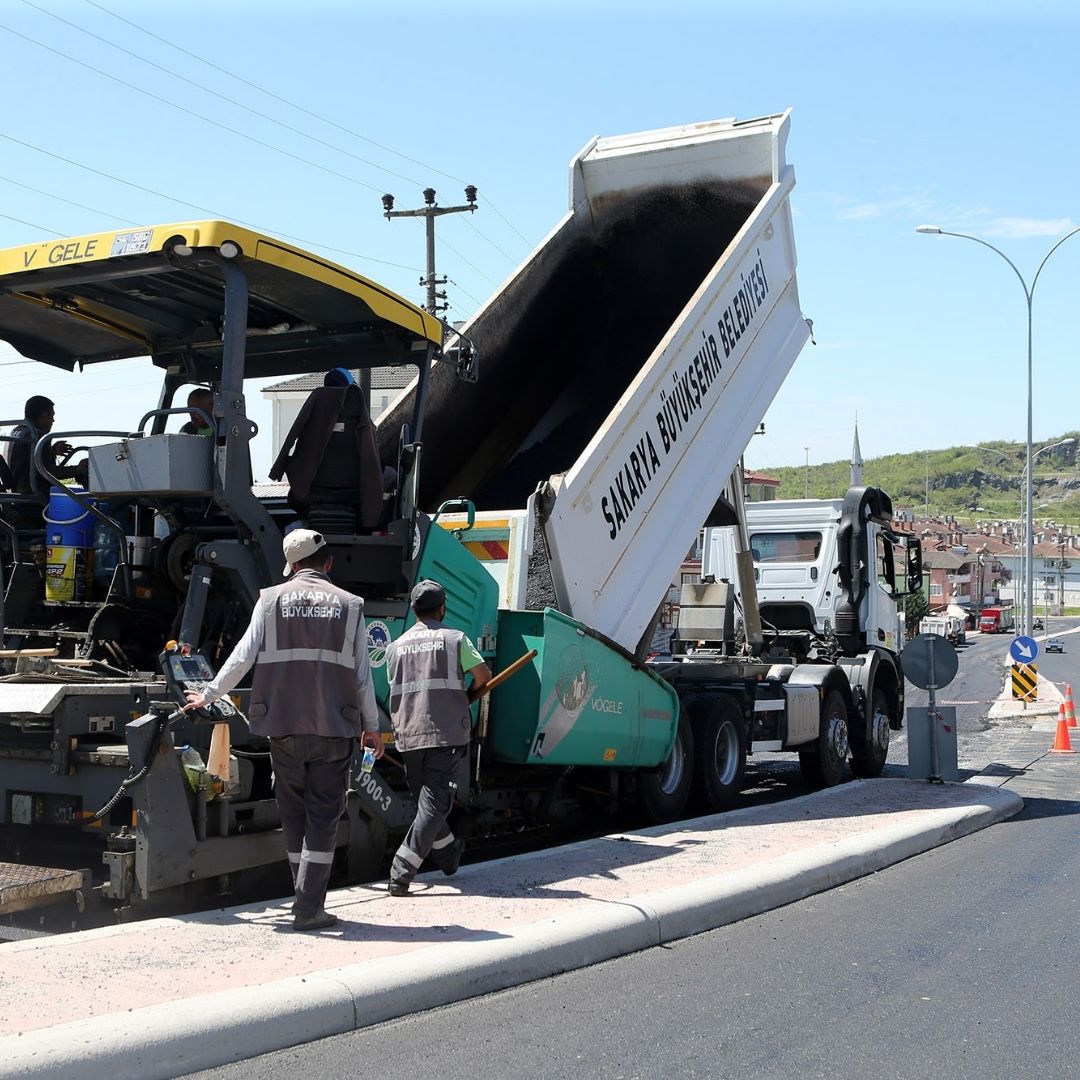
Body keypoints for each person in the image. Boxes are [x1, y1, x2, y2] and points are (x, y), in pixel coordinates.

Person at [181, 528, 384, 931]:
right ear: (327, 563)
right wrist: (372, 728)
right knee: (325, 814)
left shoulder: (270, 600)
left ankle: (303, 898)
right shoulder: (351, 605)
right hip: (334, 724)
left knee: (292, 812)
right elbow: (362, 676)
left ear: (290, 566)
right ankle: (309, 906)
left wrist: (207, 694)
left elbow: (243, 655)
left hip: (282, 724)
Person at [384, 579, 491, 896]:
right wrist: (466, 697)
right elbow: (483, 677)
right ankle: (401, 870)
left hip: (409, 734)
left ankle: (447, 855)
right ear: (442, 608)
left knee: (427, 805)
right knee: (435, 805)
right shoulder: (456, 639)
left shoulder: (395, 647)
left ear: (414, 610)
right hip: (445, 734)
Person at [4, 395, 86, 495]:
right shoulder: (37, 435)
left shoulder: (16, 432)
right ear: (44, 415)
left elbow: (26, 462)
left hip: (15, 494)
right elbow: (46, 472)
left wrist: (52, 451)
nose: (53, 420)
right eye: (52, 415)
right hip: (34, 498)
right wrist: (78, 469)